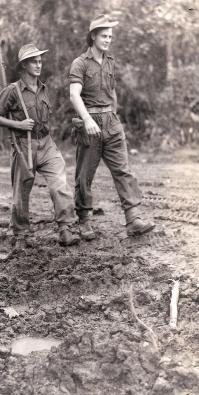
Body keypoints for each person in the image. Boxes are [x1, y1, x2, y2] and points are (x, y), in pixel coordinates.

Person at [69, 14, 155, 240]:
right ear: (93, 36)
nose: (108, 40)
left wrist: (113, 115)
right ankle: (85, 221)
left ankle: (133, 218)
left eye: (110, 36)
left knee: (123, 170)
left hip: (111, 123)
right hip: (90, 125)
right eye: (104, 36)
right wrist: (87, 120)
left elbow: (112, 92)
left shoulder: (110, 62)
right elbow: (73, 94)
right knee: (84, 176)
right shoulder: (80, 63)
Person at [0, 44, 80, 247]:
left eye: (40, 61)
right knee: (21, 192)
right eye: (34, 61)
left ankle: (65, 228)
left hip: (46, 143)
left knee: (60, 184)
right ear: (24, 65)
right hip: (23, 145)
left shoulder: (43, 89)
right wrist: (17, 124)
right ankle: (21, 235)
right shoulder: (12, 91)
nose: (38, 65)